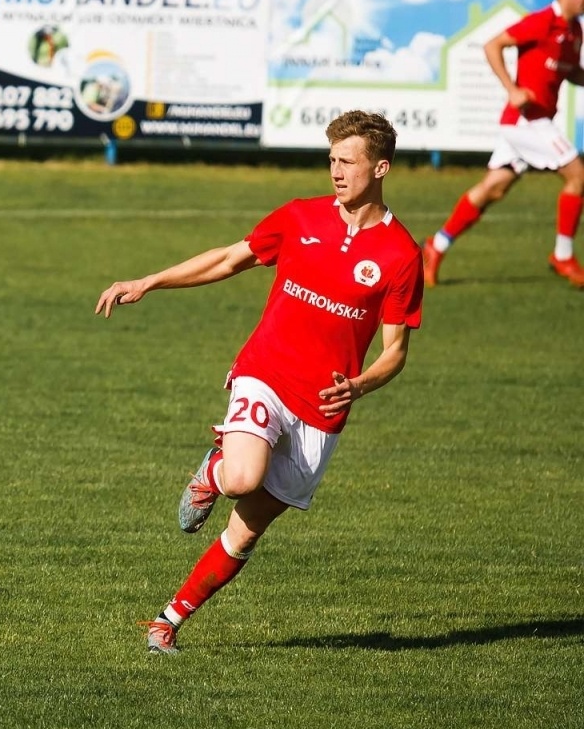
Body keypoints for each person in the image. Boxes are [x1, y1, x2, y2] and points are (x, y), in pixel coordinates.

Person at [95, 110, 423, 655]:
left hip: (322, 409)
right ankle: (216, 469)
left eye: (347, 161)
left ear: (380, 167)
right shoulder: (299, 218)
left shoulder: (401, 255)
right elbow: (228, 259)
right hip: (265, 374)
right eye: (331, 161)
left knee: (246, 533)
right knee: (244, 477)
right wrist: (149, 281)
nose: (336, 172)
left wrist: (360, 385)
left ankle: (166, 622)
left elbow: (395, 353)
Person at [421, 0, 584, 289]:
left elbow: (570, 72)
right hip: (526, 120)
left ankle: (435, 246)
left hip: (533, 123)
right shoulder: (541, 22)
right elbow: (492, 44)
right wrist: (512, 89)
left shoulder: (573, 31)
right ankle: (563, 255)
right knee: (578, 175)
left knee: (491, 189)